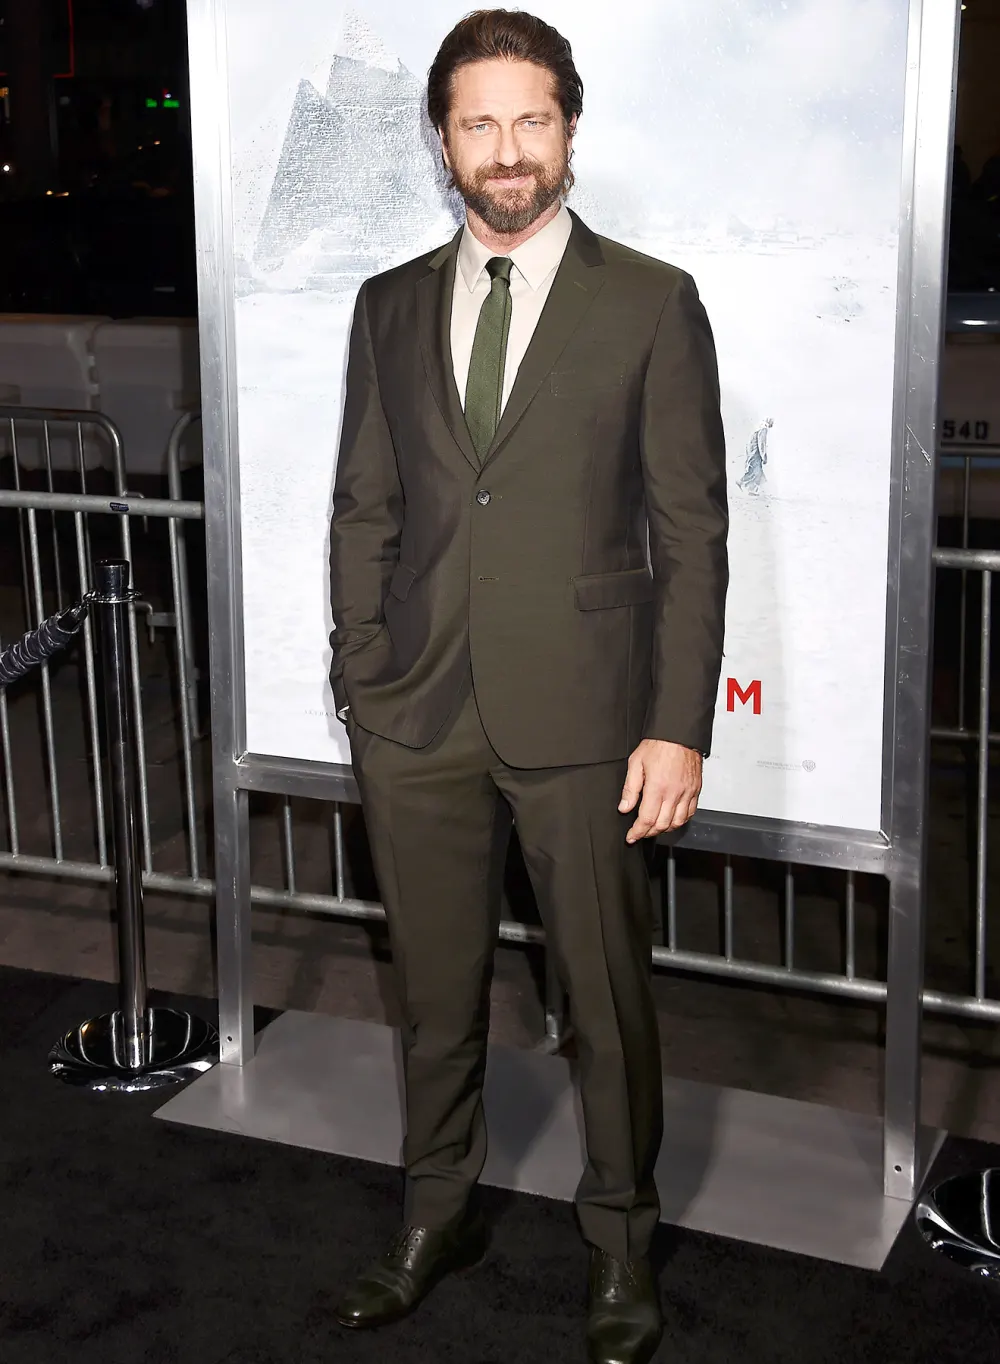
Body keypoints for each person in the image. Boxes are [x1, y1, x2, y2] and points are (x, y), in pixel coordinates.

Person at [328, 11, 728, 1362]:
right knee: (434, 996)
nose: (507, 150)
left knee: (604, 1004)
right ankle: (434, 1216)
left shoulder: (649, 300)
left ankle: (621, 1245)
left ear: (569, 127)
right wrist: (359, 678)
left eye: (532, 119)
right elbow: (365, 507)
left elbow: (692, 529)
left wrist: (677, 724)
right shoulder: (386, 305)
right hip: (418, 719)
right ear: (442, 140)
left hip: (589, 722)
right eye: (478, 123)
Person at [738, 416, 773, 495]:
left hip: (751, 452)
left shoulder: (758, 427)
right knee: (755, 471)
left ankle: (752, 490)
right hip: (755, 453)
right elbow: (761, 444)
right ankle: (742, 482)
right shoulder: (763, 429)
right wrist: (764, 456)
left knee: (756, 471)